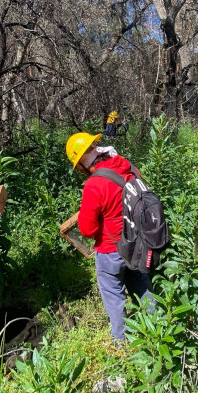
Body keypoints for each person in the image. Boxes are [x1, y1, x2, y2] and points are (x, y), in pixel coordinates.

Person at [66, 132, 153, 345]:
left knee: (113, 293)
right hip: (137, 244)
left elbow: (87, 229)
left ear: (82, 164)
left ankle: (121, 340)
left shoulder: (94, 185)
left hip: (110, 250)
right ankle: (157, 325)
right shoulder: (127, 166)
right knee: (141, 282)